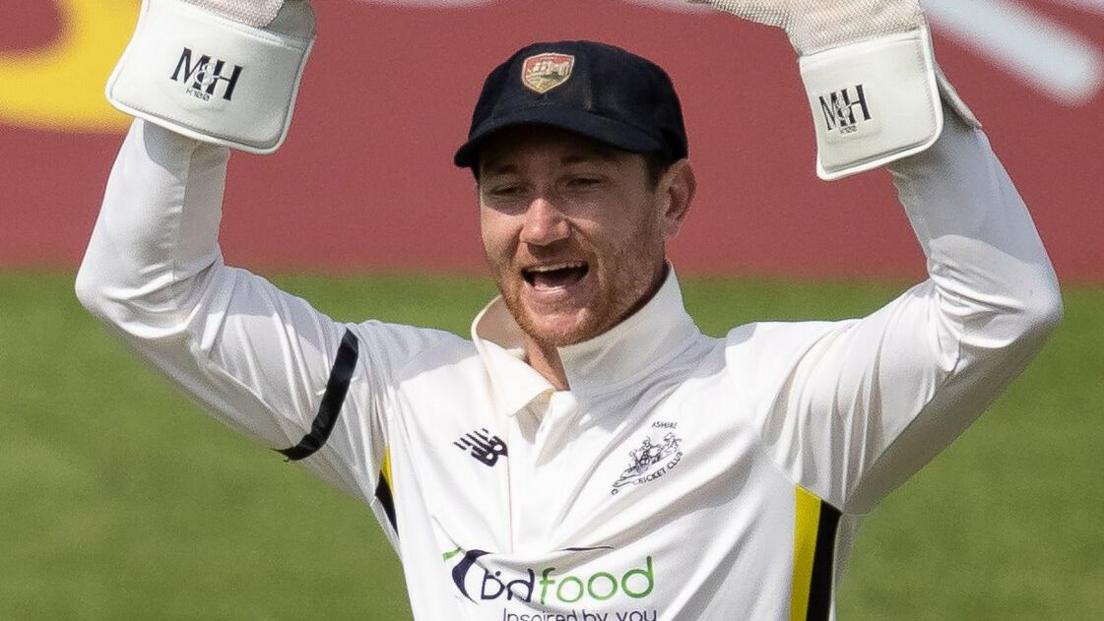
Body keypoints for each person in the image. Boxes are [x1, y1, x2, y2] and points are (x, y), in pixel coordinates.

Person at [77, 1, 1062, 619]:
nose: (539, 224)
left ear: (671, 199)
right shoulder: (401, 402)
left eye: (582, 182)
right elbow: (144, 286)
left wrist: (859, 38)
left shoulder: (787, 403)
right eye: (507, 189)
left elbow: (1001, 304)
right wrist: (219, 34)